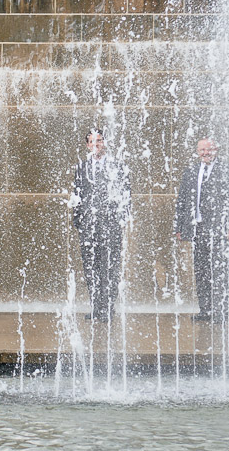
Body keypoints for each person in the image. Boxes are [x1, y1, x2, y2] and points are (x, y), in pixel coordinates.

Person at [174, 137, 229, 323]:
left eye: (208, 149)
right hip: (198, 228)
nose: (205, 153)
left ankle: (221, 311)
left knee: (220, 271)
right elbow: (183, 200)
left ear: (216, 150)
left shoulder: (228, 170)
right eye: (202, 150)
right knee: (202, 271)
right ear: (198, 151)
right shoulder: (191, 171)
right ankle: (205, 310)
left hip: (220, 228)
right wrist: (180, 227)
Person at [72, 130, 130, 323]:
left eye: (99, 141)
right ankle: (96, 307)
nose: (95, 144)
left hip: (110, 226)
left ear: (104, 143)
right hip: (88, 227)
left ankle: (108, 308)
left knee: (109, 268)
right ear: (87, 145)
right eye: (91, 141)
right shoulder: (82, 167)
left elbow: (125, 194)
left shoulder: (117, 166)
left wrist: (121, 219)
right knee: (91, 268)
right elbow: (77, 194)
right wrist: (78, 220)